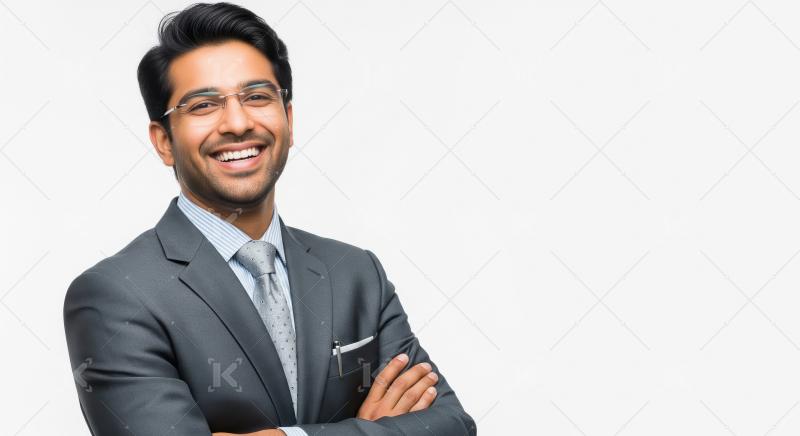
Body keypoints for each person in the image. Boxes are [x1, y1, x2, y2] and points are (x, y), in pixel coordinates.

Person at [63, 3, 475, 435]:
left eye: (257, 97)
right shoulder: (115, 296)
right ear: (164, 141)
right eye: (203, 105)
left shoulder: (356, 274)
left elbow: (451, 426)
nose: (238, 123)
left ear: (289, 120)